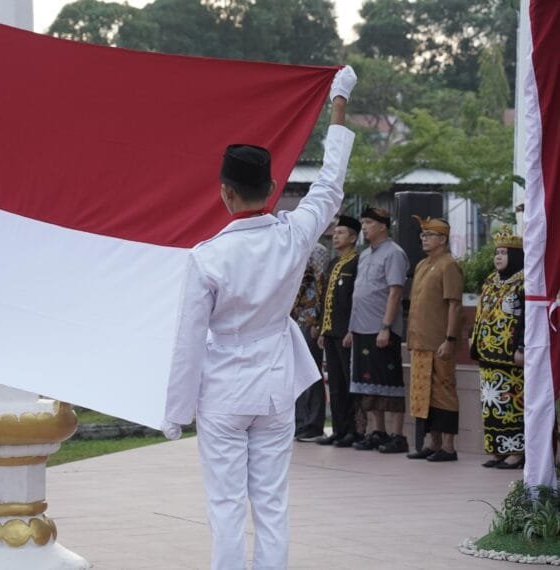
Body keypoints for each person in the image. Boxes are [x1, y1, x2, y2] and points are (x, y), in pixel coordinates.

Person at [161, 66, 357, 570]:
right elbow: (331, 186)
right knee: (271, 504)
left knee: (226, 507)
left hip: (224, 392)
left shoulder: (206, 257)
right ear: (271, 186)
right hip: (274, 388)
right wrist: (338, 106)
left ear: (225, 193)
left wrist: (176, 412)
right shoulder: (293, 236)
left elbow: (187, 342)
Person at [348, 206, 410, 454]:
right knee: (367, 382)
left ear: (383, 226)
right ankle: (379, 431)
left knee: (389, 381)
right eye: (363, 222)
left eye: (369, 223)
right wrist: (351, 328)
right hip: (361, 327)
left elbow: (395, 292)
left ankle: (398, 435)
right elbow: (359, 293)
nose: (364, 227)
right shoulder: (364, 255)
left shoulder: (394, 253)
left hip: (381, 328)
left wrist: (386, 326)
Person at [405, 217, 463, 462]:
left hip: (439, 342)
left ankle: (449, 447)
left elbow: (455, 306)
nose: (424, 239)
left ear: (443, 239)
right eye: (422, 236)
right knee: (423, 394)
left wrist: (450, 339)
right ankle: (433, 442)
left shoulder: (449, 265)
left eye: (429, 235)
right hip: (420, 342)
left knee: (444, 391)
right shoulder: (421, 265)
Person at [470, 226, 525, 469]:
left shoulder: (523, 282)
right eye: (497, 252)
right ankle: (497, 449)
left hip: (510, 358)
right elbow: (480, 313)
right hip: (488, 356)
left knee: (511, 404)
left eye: (504, 252)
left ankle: (516, 450)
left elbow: (527, 318)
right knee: (492, 405)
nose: (499, 256)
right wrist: (474, 340)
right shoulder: (491, 281)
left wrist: (521, 346)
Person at [316, 215, 364, 447]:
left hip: (347, 332)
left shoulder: (357, 263)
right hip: (331, 331)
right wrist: (323, 329)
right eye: (335, 233)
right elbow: (327, 298)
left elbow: (356, 301)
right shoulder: (333, 263)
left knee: (348, 383)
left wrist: (353, 329)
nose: (335, 236)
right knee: (334, 384)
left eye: (341, 232)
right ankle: (338, 429)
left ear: (353, 237)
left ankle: (354, 431)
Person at [293, 243, 328, 442]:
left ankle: (313, 425)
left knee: (311, 372)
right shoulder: (293, 247)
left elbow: (321, 286)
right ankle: (299, 423)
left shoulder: (317, 249)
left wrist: (318, 321)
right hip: (293, 320)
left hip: (309, 320)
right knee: (294, 373)